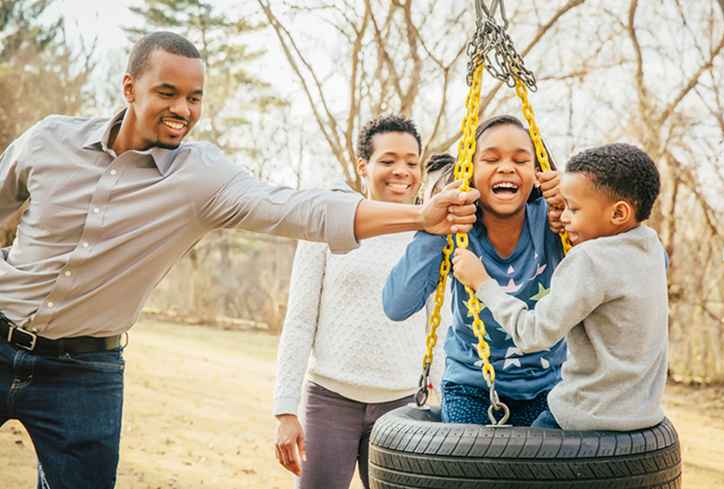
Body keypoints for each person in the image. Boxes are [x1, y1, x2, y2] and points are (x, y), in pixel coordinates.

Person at [0, 32, 479, 489]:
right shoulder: (48, 142)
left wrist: (419, 216)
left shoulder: (200, 178)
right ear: (129, 87)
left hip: (84, 373)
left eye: (194, 98)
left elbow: (299, 208)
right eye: (168, 93)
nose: (182, 111)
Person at [453, 143, 667, 431]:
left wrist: (483, 282)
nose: (563, 217)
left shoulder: (589, 258)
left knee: (511, 470)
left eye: (573, 208)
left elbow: (532, 334)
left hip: (580, 417)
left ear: (618, 214)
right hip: (643, 418)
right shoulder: (651, 248)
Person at [274, 115, 438, 489]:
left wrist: (437, 401)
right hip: (329, 401)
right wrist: (285, 410)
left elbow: (438, 328)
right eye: (389, 160)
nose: (402, 171)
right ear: (363, 166)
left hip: (404, 406)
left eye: (412, 163)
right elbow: (299, 321)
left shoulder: (429, 235)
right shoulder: (327, 224)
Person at [383, 114, 566, 426]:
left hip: (546, 386)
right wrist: (432, 231)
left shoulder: (555, 223)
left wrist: (578, 205)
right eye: (491, 158)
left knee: (539, 469)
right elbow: (397, 305)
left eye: (520, 160)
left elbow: (642, 260)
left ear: (538, 174)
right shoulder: (457, 229)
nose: (506, 167)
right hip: (470, 385)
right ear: (469, 171)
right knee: (465, 469)